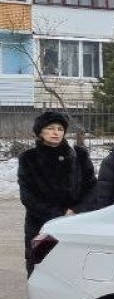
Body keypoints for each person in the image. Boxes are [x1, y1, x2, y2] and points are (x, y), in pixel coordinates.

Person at [19, 111, 97, 275]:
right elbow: (28, 197)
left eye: (60, 129)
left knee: (75, 268)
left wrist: (76, 210)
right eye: (50, 128)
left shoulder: (79, 155)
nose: (56, 133)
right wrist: (59, 214)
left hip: (76, 222)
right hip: (42, 226)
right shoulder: (29, 159)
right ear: (40, 132)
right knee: (41, 268)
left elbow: (92, 188)